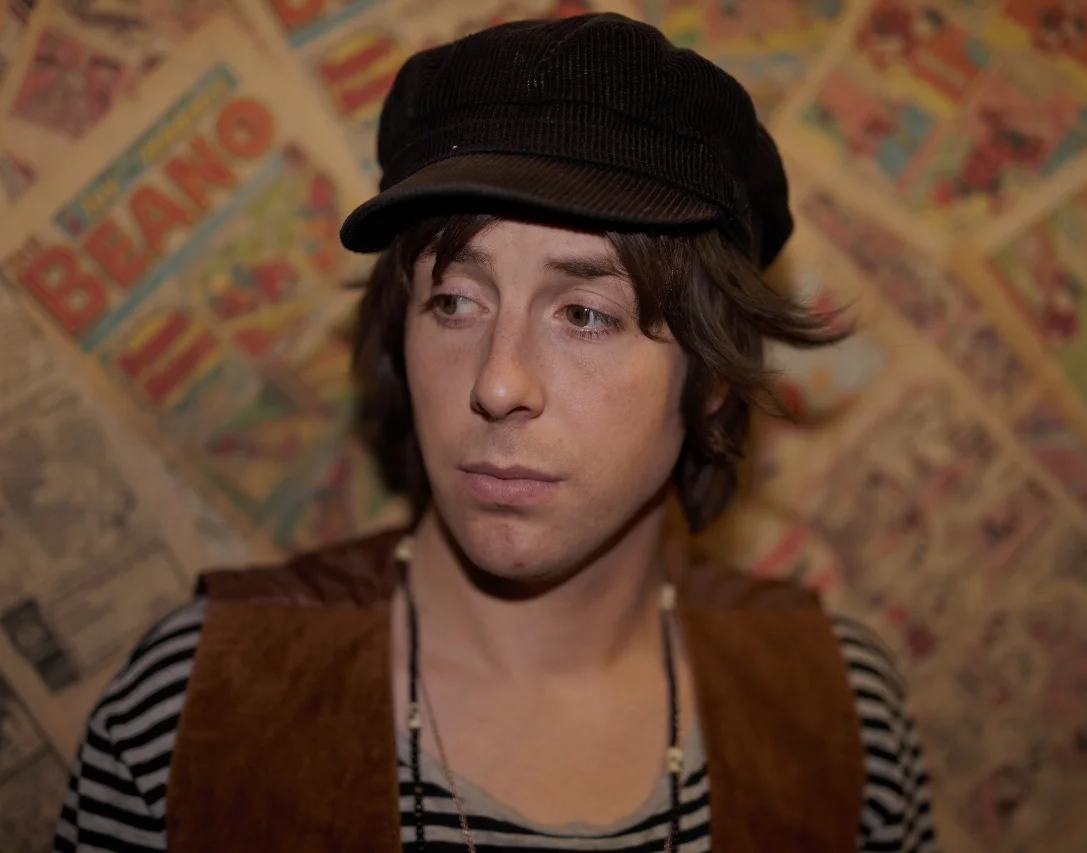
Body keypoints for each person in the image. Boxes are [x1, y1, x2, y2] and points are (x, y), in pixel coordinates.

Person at [54, 13, 938, 853]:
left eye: (584, 313)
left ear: (711, 379)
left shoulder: (838, 716)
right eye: (453, 301)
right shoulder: (197, 708)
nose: (497, 382)